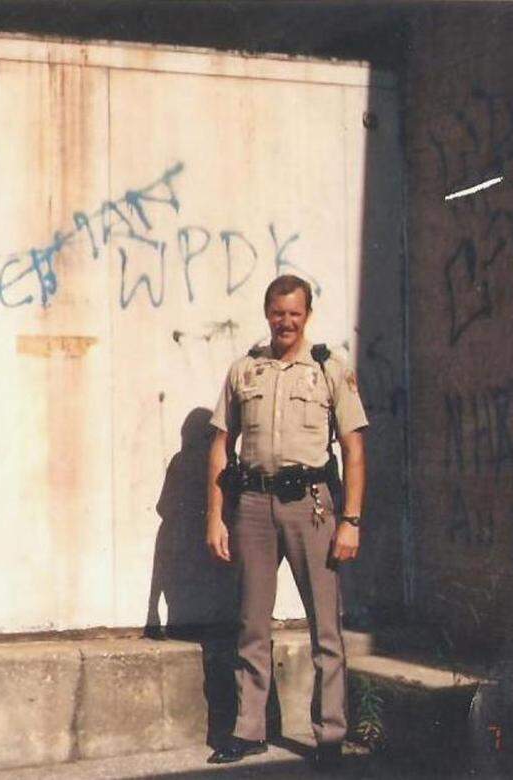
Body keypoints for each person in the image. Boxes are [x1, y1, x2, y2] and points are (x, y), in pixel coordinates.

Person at [204, 274, 368, 770]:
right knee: (252, 623)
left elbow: (355, 451)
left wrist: (351, 521)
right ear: (267, 312)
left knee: (325, 627)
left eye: (295, 313)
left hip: (312, 505)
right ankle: (249, 730)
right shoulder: (244, 371)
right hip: (253, 505)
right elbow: (220, 446)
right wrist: (216, 516)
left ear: (307, 315)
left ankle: (330, 735)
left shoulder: (329, 370)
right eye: (278, 312)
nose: (286, 322)